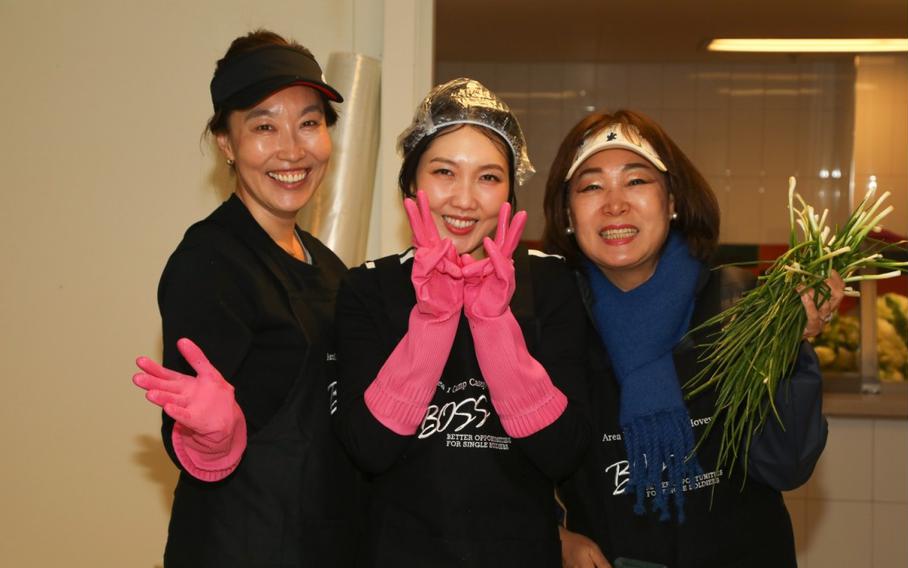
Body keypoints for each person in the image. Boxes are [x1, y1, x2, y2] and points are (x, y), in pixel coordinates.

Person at [543, 110, 843, 568]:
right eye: (590, 186)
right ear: (567, 214)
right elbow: (505, 465)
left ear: (673, 201)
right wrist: (554, 534)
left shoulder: (738, 302)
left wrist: (788, 347)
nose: (615, 203)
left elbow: (787, 464)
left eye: (636, 181)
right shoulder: (551, 320)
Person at [331, 78, 591, 567]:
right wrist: (433, 321)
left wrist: (494, 324)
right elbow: (368, 448)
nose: (465, 200)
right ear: (412, 182)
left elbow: (564, 454)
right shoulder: (368, 289)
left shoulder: (551, 284)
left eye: (489, 177)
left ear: (511, 191)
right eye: (445, 172)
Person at [131, 30, 360, 567]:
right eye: (264, 126)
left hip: (321, 541)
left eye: (309, 122)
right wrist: (211, 440)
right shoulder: (210, 263)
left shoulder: (327, 266)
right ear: (227, 145)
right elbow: (185, 436)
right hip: (239, 545)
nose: (292, 148)